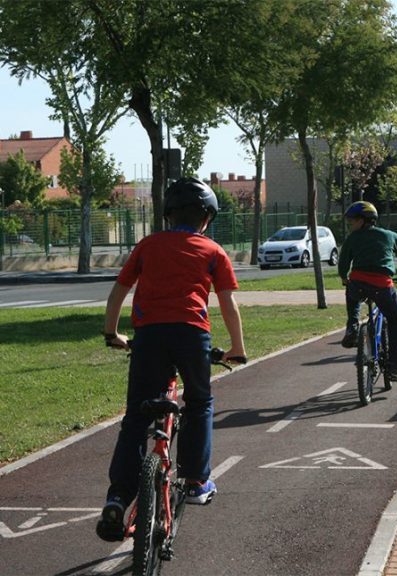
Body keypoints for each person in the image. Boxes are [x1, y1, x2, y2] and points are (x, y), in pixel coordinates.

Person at [96, 177, 246, 542]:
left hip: (148, 337)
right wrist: (237, 347)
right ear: (207, 218)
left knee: (136, 416)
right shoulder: (213, 251)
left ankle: (118, 498)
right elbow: (227, 303)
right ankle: (195, 481)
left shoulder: (147, 245)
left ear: (167, 216)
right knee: (198, 403)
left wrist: (112, 333)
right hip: (192, 336)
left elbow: (119, 291)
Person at [338, 201, 397, 382]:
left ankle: (352, 328)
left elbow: (344, 260)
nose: (351, 225)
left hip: (358, 282)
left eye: (352, 221)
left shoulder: (353, 238)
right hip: (382, 286)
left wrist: (343, 276)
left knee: (352, 295)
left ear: (364, 220)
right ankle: (395, 368)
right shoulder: (390, 235)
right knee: (396, 320)